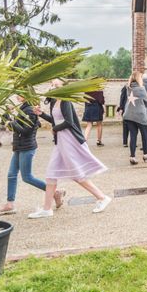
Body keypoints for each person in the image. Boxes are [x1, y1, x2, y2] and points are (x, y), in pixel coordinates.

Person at [32, 79, 110, 219]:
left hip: (69, 140)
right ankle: (46, 208)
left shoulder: (65, 100)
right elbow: (55, 120)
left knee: (76, 174)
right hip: (61, 141)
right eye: (52, 84)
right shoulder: (53, 101)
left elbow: (69, 122)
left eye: (56, 85)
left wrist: (55, 129)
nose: (53, 86)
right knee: (51, 174)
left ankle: (102, 197)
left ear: (63, 88)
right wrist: (41, 114)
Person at [0, 96, 62, 217]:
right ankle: (9, 204)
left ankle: (55, 193)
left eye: (20, 94)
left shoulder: (29, 110)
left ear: (27, 94)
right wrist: (6, 114)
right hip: (19, 147)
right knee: (11, 175)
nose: (16, 96)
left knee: (27, 177)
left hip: (27, 148)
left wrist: (11, 122)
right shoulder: (22, 109)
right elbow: (5, 124)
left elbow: (26, 131)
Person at [123, 71, 147, 165]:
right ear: (140, 78)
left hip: (129, 115)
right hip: (140, 116)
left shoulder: (128, 88)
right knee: (145, 136)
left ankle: (132, 156)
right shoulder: (141, 89)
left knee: (133, 136)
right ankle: (146, 155)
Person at [116, 83, 128, 147]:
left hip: (133, 109)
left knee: (133, 127)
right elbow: (122, 98)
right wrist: (121, 108)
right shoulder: (125, 88)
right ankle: (125, 142)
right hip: (125, 109)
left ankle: (132, 141)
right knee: (125, 127)